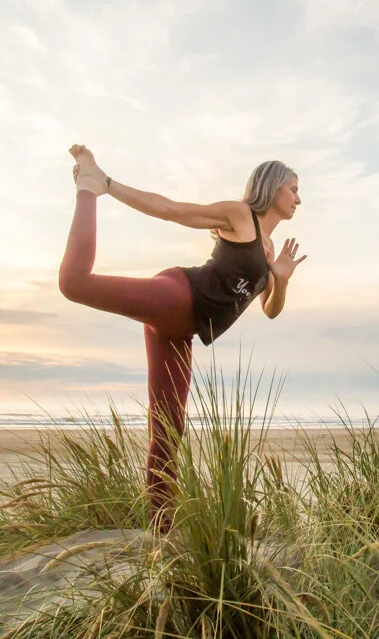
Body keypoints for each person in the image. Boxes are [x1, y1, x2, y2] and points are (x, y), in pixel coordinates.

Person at [58, 145, 306, 531]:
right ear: (274, 189)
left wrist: (282, 279)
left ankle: (162, 533)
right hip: (178, 294)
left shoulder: (270, 250)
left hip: (182, 330)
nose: (298, 198)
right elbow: (172, 209)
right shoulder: (241, 217)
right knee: (74, 283)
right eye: (293, 189)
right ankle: (88, 188)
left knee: (169, 429)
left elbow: (271, 309)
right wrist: (108, 185)